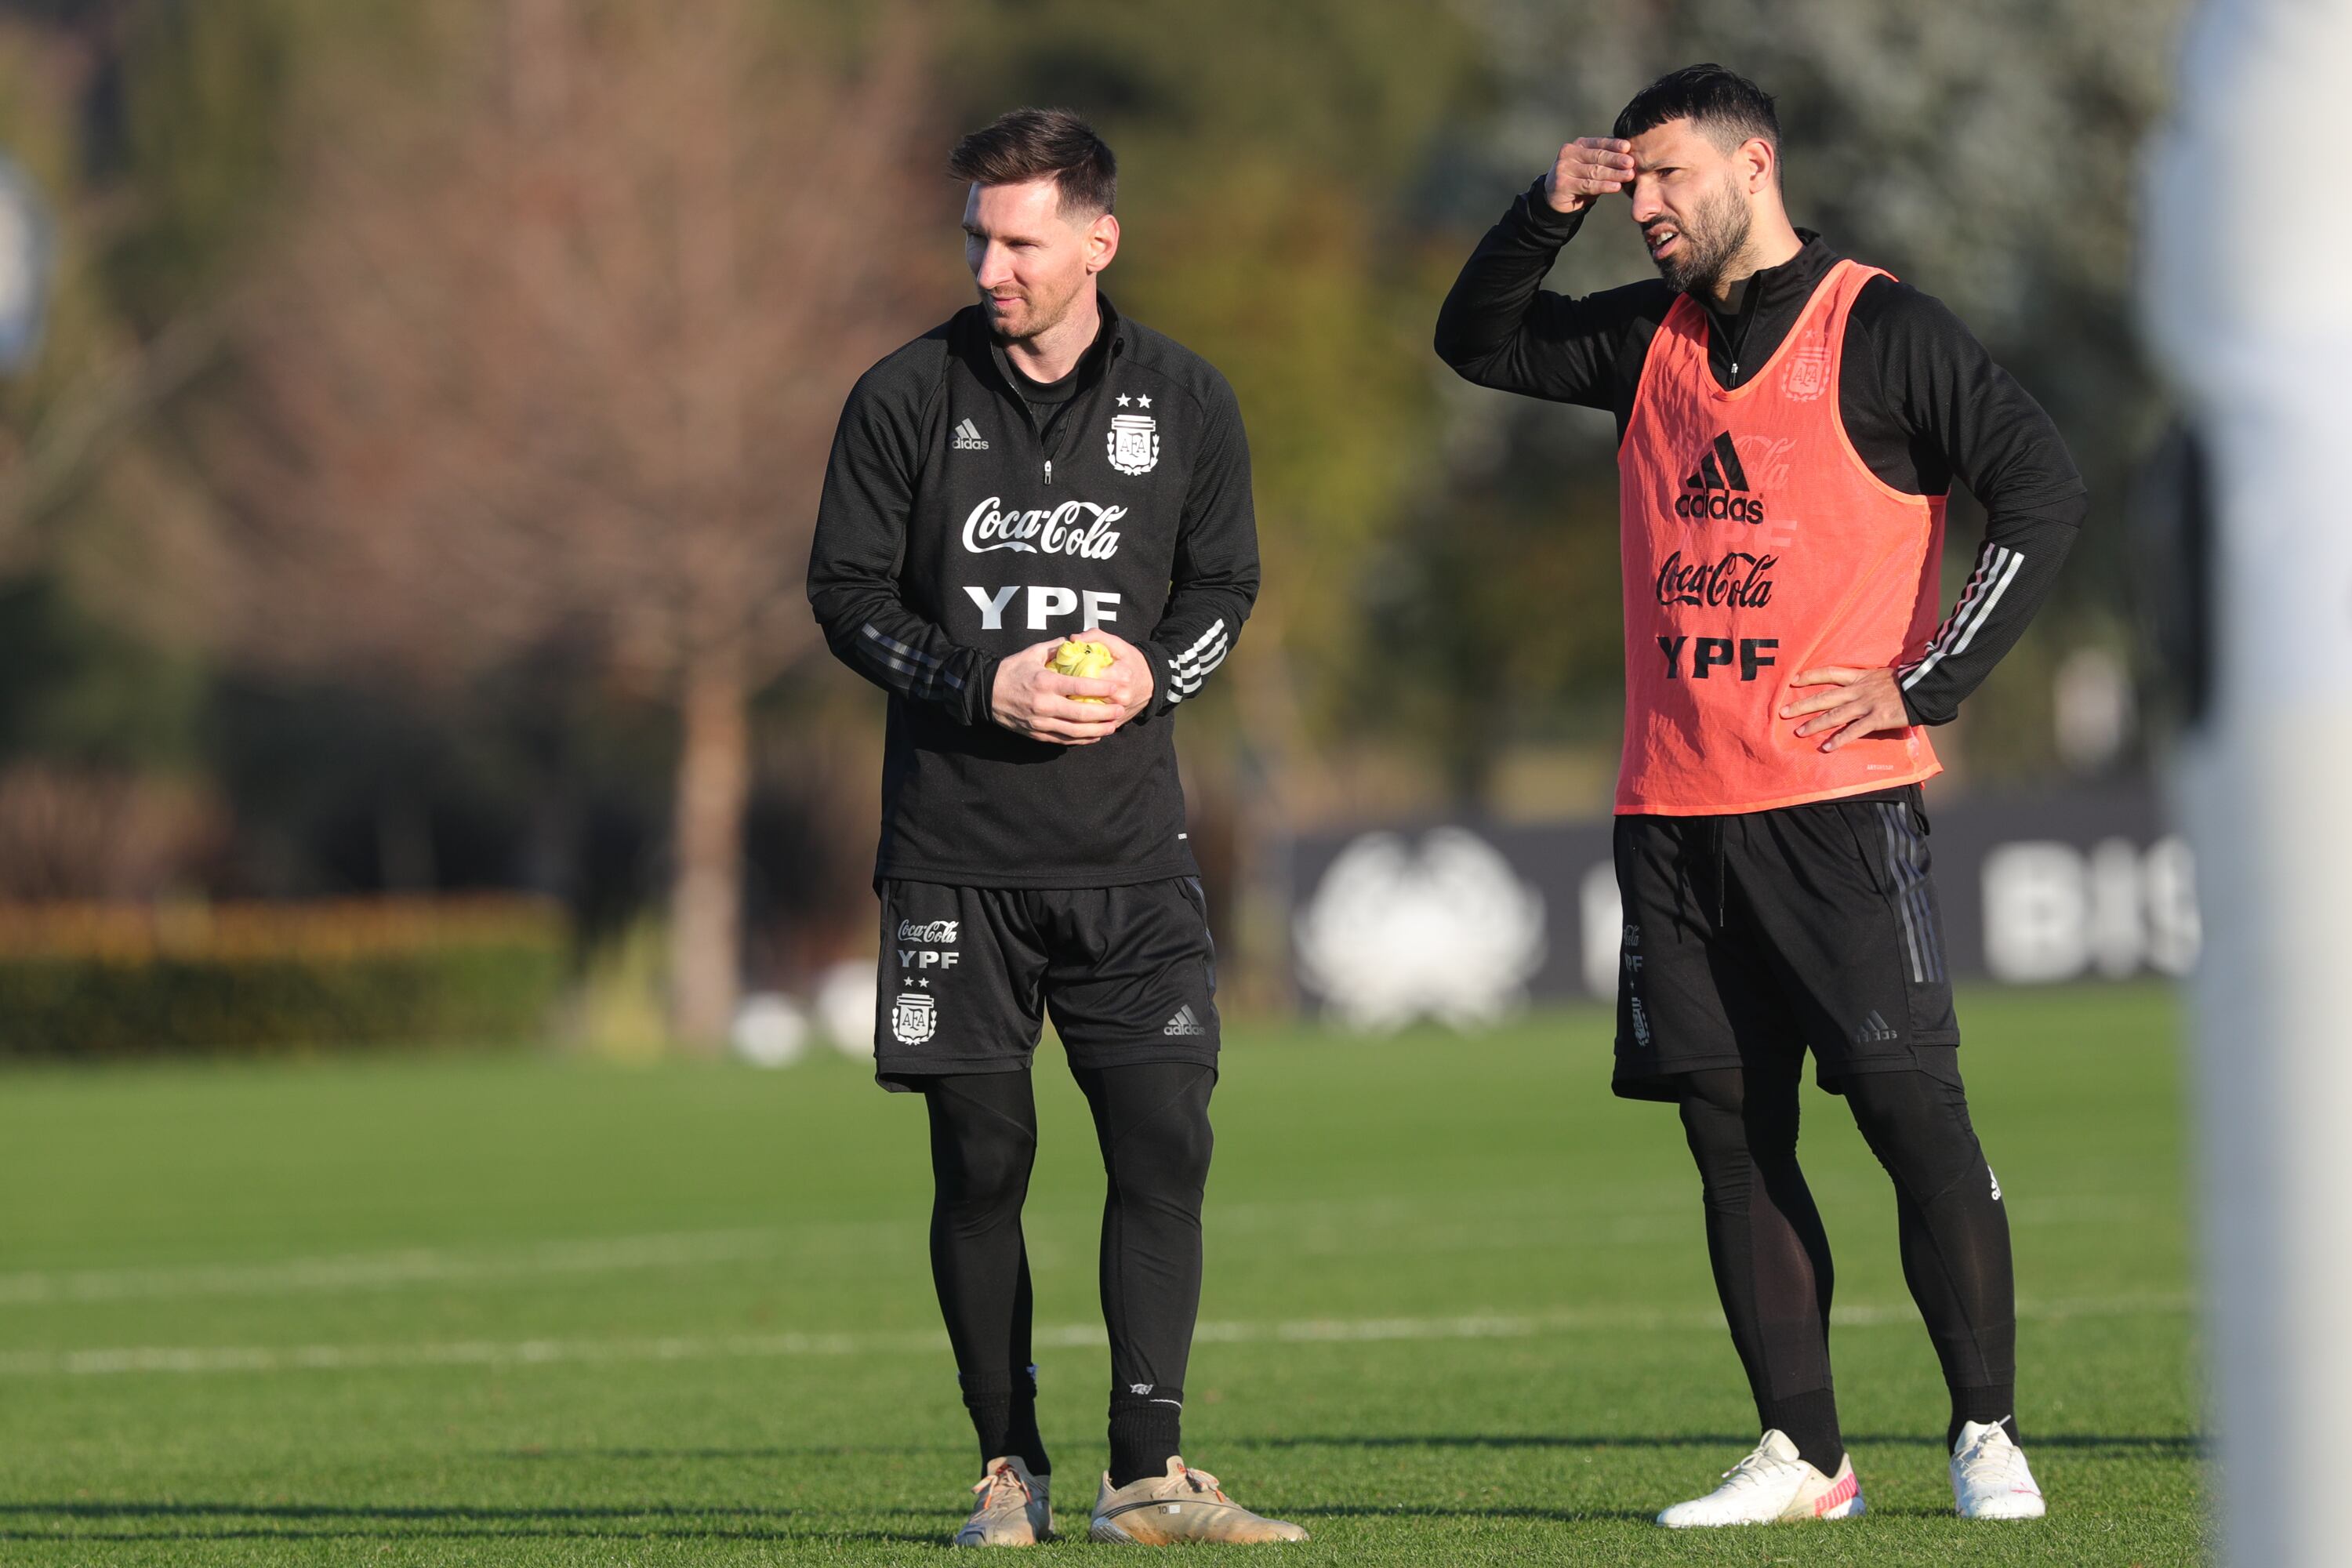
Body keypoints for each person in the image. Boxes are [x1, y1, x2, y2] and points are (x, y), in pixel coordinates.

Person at [1436, 64, 2083, 1527]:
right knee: (1732, 1141)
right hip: (1671, 816)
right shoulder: (1642, 341)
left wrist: (1930, 682)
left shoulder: (1885, 328)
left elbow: (2042, 491)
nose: (1645, 207)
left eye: (1667, 178)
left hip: (1837, 812)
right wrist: (1549, 205)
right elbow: (1475, 339)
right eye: (1632, 181)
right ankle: (1804, 1456)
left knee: (1913, 1115)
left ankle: (1987, 1431)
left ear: (1756, 165)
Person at [807, 107, 1303, 1548]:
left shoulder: (1189, 401)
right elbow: (844, 600)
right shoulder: (903, 398)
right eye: (976, 236)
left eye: (1019, 240)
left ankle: (1146, 1474)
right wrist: (982, 680)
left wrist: (1159, 668)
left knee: (1165, 1143)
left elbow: (1224, 589)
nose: (990, 266)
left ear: (1098, 240)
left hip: (1131, 857)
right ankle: (1006, 1472)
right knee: (984, 1164)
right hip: (955, 855)